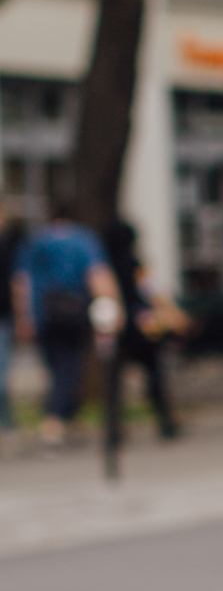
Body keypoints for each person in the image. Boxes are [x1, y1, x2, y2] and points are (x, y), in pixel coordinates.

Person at [14, 186, 119, 446]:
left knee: (55, 366)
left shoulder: (37, 240)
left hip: (43, 314)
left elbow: (21, 282)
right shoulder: (83, 240)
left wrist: (23, 317)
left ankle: (68, 417)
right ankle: (55, 420)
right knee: (69, 366)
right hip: (74, 312)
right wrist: (110, 308)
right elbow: (98, 276)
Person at [102, 217, 185, 439]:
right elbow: (154, 291)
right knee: (155, 375)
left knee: (114, 381)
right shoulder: (136, 264)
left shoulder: (104, 266)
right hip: (142, 328)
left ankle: (114, 427)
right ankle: (166, 421)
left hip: (115, 328)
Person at [0, 197, 27, 445]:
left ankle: (7, 426)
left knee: (1, 376)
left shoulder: (10, 242)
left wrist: (22, 317)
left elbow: (18, 282)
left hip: (4, 317)